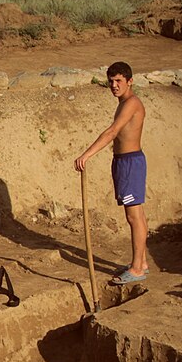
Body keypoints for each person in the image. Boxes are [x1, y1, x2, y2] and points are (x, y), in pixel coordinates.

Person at [73, 61, 148, 284]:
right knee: (136, 215)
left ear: (130, 81)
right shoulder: (123, 102)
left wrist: (87, 154)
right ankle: (141, 263)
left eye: (118, 81)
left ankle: (136, 269)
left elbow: (113, 131)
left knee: (134, 217)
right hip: (124, 162)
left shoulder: (132, 103)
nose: (114, 85)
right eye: (111, 81)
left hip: (130, 164)